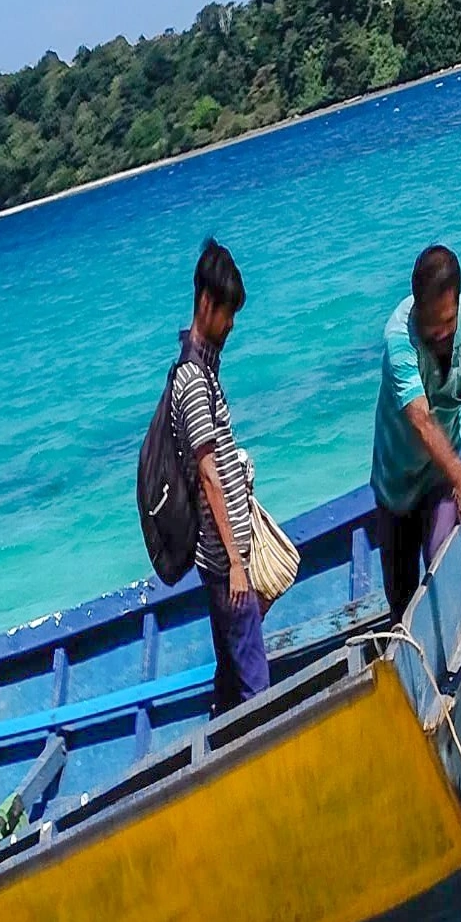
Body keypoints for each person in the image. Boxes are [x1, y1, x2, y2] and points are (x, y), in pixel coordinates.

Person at [370, 244, 461, 624]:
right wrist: (460, 472)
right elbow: (419, 418)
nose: (439, 332)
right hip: (395, 482)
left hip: (439, 477)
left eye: (447, 322)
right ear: (416, 307)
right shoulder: (398, 337)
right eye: (430, 324)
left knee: (443, 566)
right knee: (403, 604)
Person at [170, 238, 269, 714]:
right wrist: (235, 562)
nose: (231, 325)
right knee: (254, 683)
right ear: (206, 304)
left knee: (232, 677)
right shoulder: (192, 380)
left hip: (225, 557)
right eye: (227, 314)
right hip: (224, 560)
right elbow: (208, 477)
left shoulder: (204, 372)